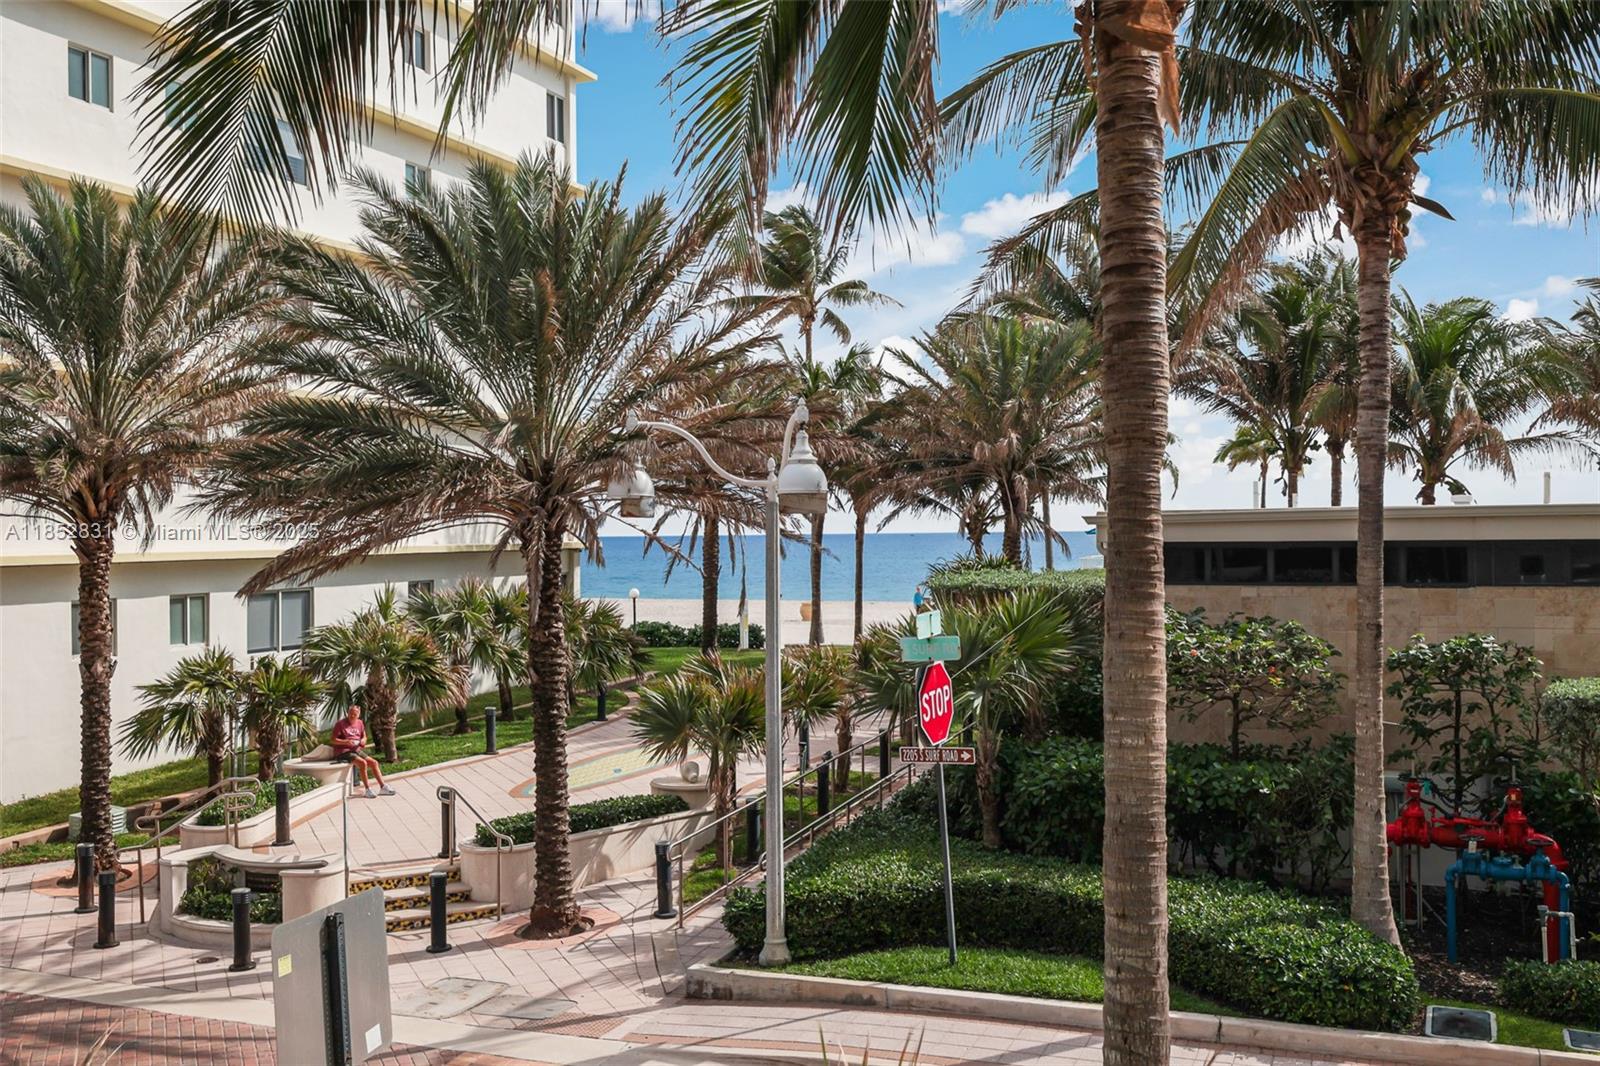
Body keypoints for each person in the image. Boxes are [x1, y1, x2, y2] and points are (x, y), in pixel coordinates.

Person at [330, 705, 394, 798]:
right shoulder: (340, 724)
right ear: (348, 713)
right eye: (350, 713)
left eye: (355, 714)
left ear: (358, 715)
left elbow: (364, 736)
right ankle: (367, 789)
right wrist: (346, 741)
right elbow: (332, 740)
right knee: (363, 763)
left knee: (374, 763)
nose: (352, 716)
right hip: (343, 751)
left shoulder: (360, 723)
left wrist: (363, 740)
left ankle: (383, 786)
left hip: (356, 749)